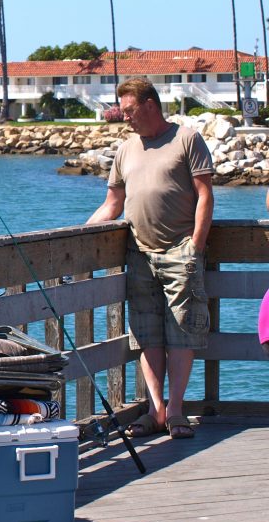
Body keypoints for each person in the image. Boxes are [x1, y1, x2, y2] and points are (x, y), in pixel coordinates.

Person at [87, 78, 214, 440]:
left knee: (182, 333)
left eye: (128, 111)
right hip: (139, 253)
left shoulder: (187, 139)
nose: (124, 118)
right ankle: (155, 409)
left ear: (149, 105)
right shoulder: (126, 149)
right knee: (147, 334)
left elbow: (205, 195)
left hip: (180, 251)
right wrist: (77, 234)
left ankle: (175, 410)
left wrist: (196, 247)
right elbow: (112, 204)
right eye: (122, 111)